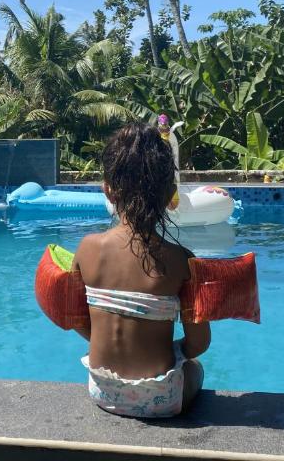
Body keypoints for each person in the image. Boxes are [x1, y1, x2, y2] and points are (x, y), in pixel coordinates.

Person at [72, 122, 209, 418]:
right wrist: (174, 353)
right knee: (195, 369)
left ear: (108, 191)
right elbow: (199, 343)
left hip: (101, 392)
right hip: (163, 399)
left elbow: (74, 318)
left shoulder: (86, 249)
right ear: (170, 195)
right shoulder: (183, 261)